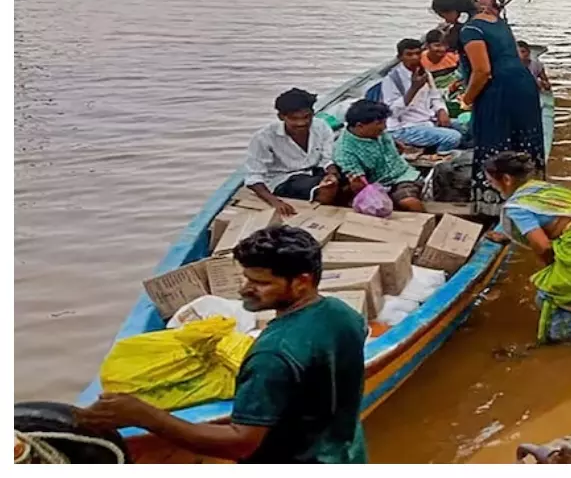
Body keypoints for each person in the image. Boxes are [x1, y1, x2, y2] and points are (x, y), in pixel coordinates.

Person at [75, 226, 368, 463]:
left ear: (302, 282)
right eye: (245, 278)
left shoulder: (272, 354)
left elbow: (241, 443)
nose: (244, 289)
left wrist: (146, 416)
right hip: (345, 455)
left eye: (260, 282)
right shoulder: (344, 314)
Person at [485, 151, 571, 345]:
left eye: (491, 182)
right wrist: (508, 236)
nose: (491, 186)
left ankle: (559, 345)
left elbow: (542, 246)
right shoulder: (540, 189)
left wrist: (551, 268)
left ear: (506, 179)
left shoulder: (517, 207)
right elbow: (556, 219)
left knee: (550, 296)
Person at [432, 0, 545, 211]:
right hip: (524, 86)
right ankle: (531, 199)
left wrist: (467, 98)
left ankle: (494, 205)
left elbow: (482, 71)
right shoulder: (496, 20)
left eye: (444, 15)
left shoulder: (471, 30)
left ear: (453, 11)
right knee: (524, 142)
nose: (444, 20)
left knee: (495, 143)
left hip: (499, 91)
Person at [243, 88, 342, 217]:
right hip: (284, 179)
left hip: (313, 171)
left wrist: (331, 174)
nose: (301, 123)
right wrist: (275, 202)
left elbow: (326, 158)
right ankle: (321, 215)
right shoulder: (264, 137)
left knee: (348, 177)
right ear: (281, 117)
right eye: (294, 119)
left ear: (313, 113)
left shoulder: (321, 126)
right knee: (326, 189)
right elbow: (253, 177)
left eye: (307, 117)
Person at [333, 99, 426, 212]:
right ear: (360, 126)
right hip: (381, 185)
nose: (384, 127)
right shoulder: (345, 152)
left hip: (405, 174)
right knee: (410, 203)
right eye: (379, 124)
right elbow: (360, 184)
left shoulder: (377, 132)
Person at [380, 38, 462, 152]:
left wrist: (441, 111)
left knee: (467, 128)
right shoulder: (392, 79)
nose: (414, 58)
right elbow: (392, 112)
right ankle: (437, 161)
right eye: (409, 54)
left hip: (427, 120)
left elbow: (435, 96)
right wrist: (414, 89)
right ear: (400, 57)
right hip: (404, 127)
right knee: (452, 137)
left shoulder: (425, 73)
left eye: (417, 53)